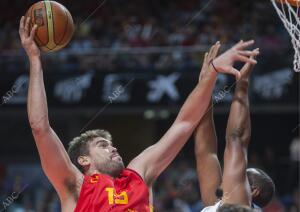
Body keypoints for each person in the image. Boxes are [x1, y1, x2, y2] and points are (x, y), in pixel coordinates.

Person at [19, 15, 259, 211]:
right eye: (103, 145)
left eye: (110, 144)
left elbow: (184, 124)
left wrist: (212, 74)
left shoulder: (138, 174)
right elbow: (40, 127)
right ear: (84, 160)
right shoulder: (75, 185)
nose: (113, 148)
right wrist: (35, 60)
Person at [195, 55, 275, 212]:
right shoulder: (223, 204)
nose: (230, 174)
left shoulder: (241, 205)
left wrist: (242, 83)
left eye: (242, 175)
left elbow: (236, 139)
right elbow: (205, 151)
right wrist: (204, 86)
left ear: (253, 191)